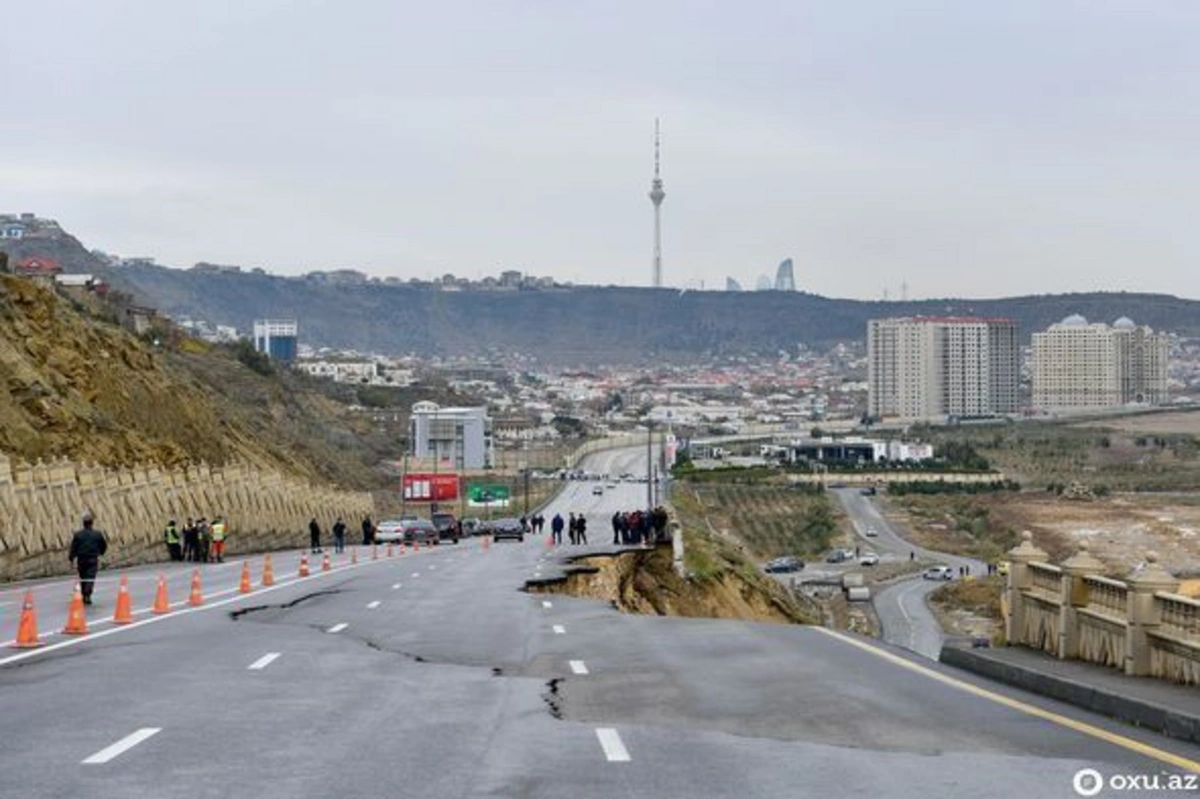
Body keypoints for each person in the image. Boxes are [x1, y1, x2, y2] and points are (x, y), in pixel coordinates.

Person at [69, 511, 108, 606]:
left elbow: (73, 547)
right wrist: (101, 553)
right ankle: (87, 593)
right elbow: (103, 545)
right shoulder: (97, 534)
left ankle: (84, 593)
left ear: (83, 523)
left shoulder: (78, 535)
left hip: (81, 559)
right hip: (92, 558)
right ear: (92, 523)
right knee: (90, 576)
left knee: (83, 577)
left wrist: (71, 558)